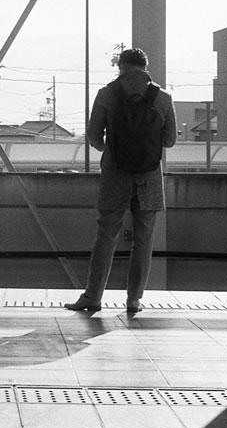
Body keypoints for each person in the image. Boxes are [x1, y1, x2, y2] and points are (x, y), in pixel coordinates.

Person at [65, 47, 177, 315]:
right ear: (145, 66)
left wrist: (114, 150)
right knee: (144, 239)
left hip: (115, 175)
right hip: (149, 178)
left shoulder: (107, 94)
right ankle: (134, 299)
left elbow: (93, 136)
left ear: (121, 66)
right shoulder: (162, 98)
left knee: (105, 236)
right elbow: (170, 140)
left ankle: (93, 296)